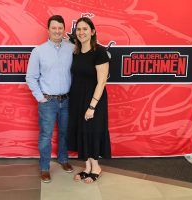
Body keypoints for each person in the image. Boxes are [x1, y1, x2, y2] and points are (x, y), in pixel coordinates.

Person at [26, 15, 74, 183]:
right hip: (48, 101)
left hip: (67, 100)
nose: (57, 31)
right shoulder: (38, 51)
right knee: (46, 135)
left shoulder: (71, 48)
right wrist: (40, 98)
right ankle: (45, 167)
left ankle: (63, 159)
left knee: (64, 133)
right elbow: (31, 77)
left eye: (60, 28)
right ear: (48, 30)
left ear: (64, 29)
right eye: (54, 28)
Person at [68, 17, 111, 183]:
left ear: (92, 32)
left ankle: (96, 168)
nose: (81, 32)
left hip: (94, 100)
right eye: (78, 29)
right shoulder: (76, 52)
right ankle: (87, 167)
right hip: (77, 99)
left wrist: (92, 106)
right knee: (81, 131)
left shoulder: (99, 52)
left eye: (85, 29)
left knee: (92, 131)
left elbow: (102, 82)